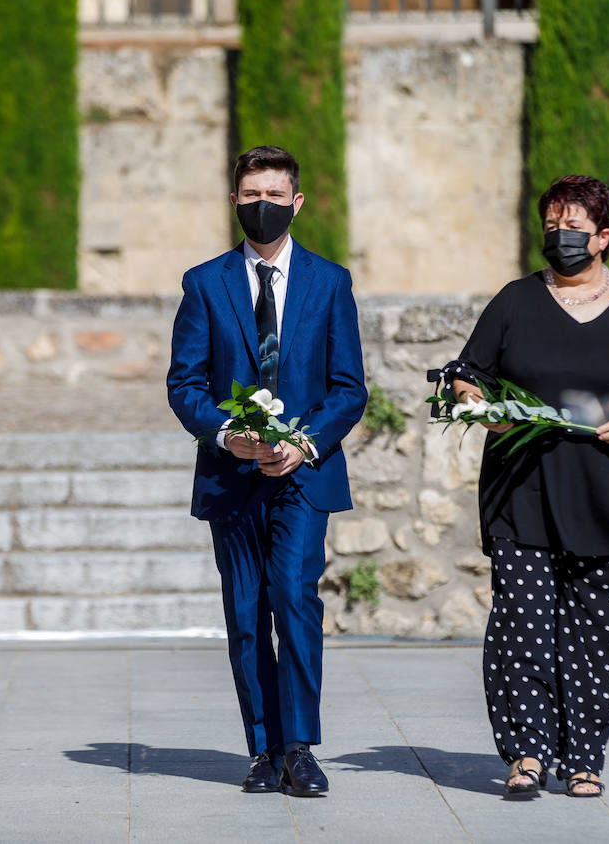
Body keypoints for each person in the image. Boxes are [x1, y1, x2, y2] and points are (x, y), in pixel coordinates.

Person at [450, 175, 609, 799]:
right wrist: (478, 405)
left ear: (604, 237)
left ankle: (584, 756)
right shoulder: (515, 301)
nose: (561, 235)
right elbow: (467, 375)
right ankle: (527, 754)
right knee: (521, 627)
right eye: (552, 223)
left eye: (575, 226)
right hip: (519, 491)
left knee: (594, 631)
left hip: (600, 495)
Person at [167, 145, 367, 796]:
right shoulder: (205, 283)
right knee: (248, 612)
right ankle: (263, 748)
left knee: (295, 601)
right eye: (252, 194)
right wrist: (230, 436)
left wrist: (301, 443)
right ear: (234, 202)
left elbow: (348, 388)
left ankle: (301, 748)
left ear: (297, 202)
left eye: (275, 196)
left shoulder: (331, 283)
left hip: (304, 475)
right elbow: (185, 383)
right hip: (231, 478)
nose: (264, 206)